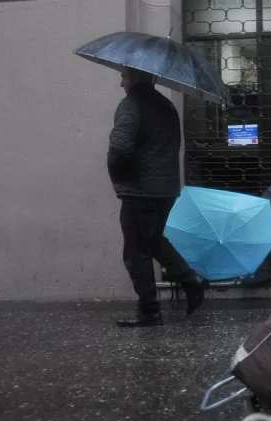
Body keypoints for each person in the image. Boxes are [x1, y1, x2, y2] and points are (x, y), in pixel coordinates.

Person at [108, 67, 206, 328]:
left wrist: (118, 178)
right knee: (152, 240)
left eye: (124, 76)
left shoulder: (132, 104)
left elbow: (119, 147)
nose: (121, 82)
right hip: (165, 189)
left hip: (140, 190)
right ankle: (190, 281)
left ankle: (149, 311)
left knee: (135, 251)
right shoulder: (166, 105)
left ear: (135, 77)